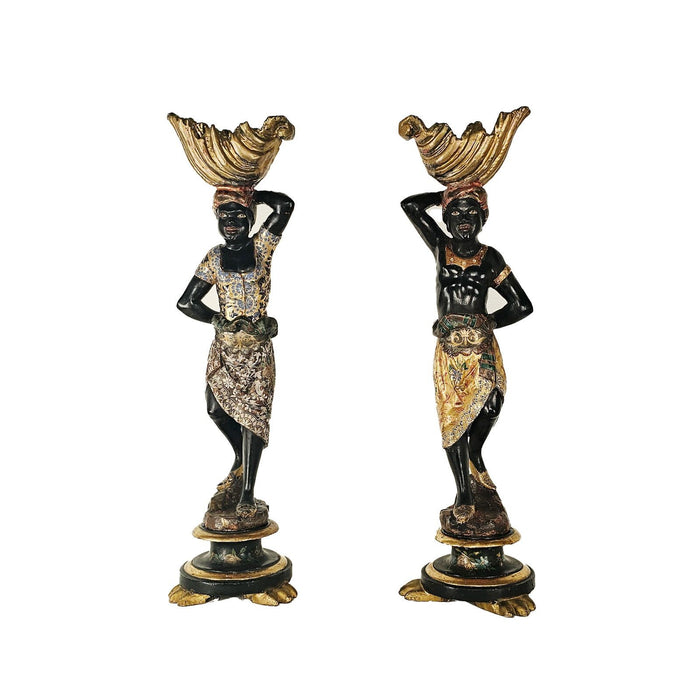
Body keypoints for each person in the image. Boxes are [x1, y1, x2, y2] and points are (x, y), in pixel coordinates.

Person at [401, 182, 532, 523]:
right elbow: (410, 206)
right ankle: (464, 493)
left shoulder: (490, 258)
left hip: (481, 346)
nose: (464, 219)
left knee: (491, 404)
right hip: (449, 350)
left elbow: (521, 305)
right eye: (456, 213)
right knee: (453, 417)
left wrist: (488, 322)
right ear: (445, 218)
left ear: (483, 218)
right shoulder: (440, 247)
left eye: (472, 212)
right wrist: (449, 193)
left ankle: (475, 454)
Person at [177, 186, 294, 517]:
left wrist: (247, 192)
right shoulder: (214, 258)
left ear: (250, 219)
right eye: (224, 216)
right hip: (226, 352)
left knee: (253, 421)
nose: (231, 223)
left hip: (257, 353)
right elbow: (186, 302)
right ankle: (240, 457)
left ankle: (247, 494)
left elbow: (285, 206)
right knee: (215, 408)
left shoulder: (261, 248)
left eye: (239, 216)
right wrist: (217, 319)